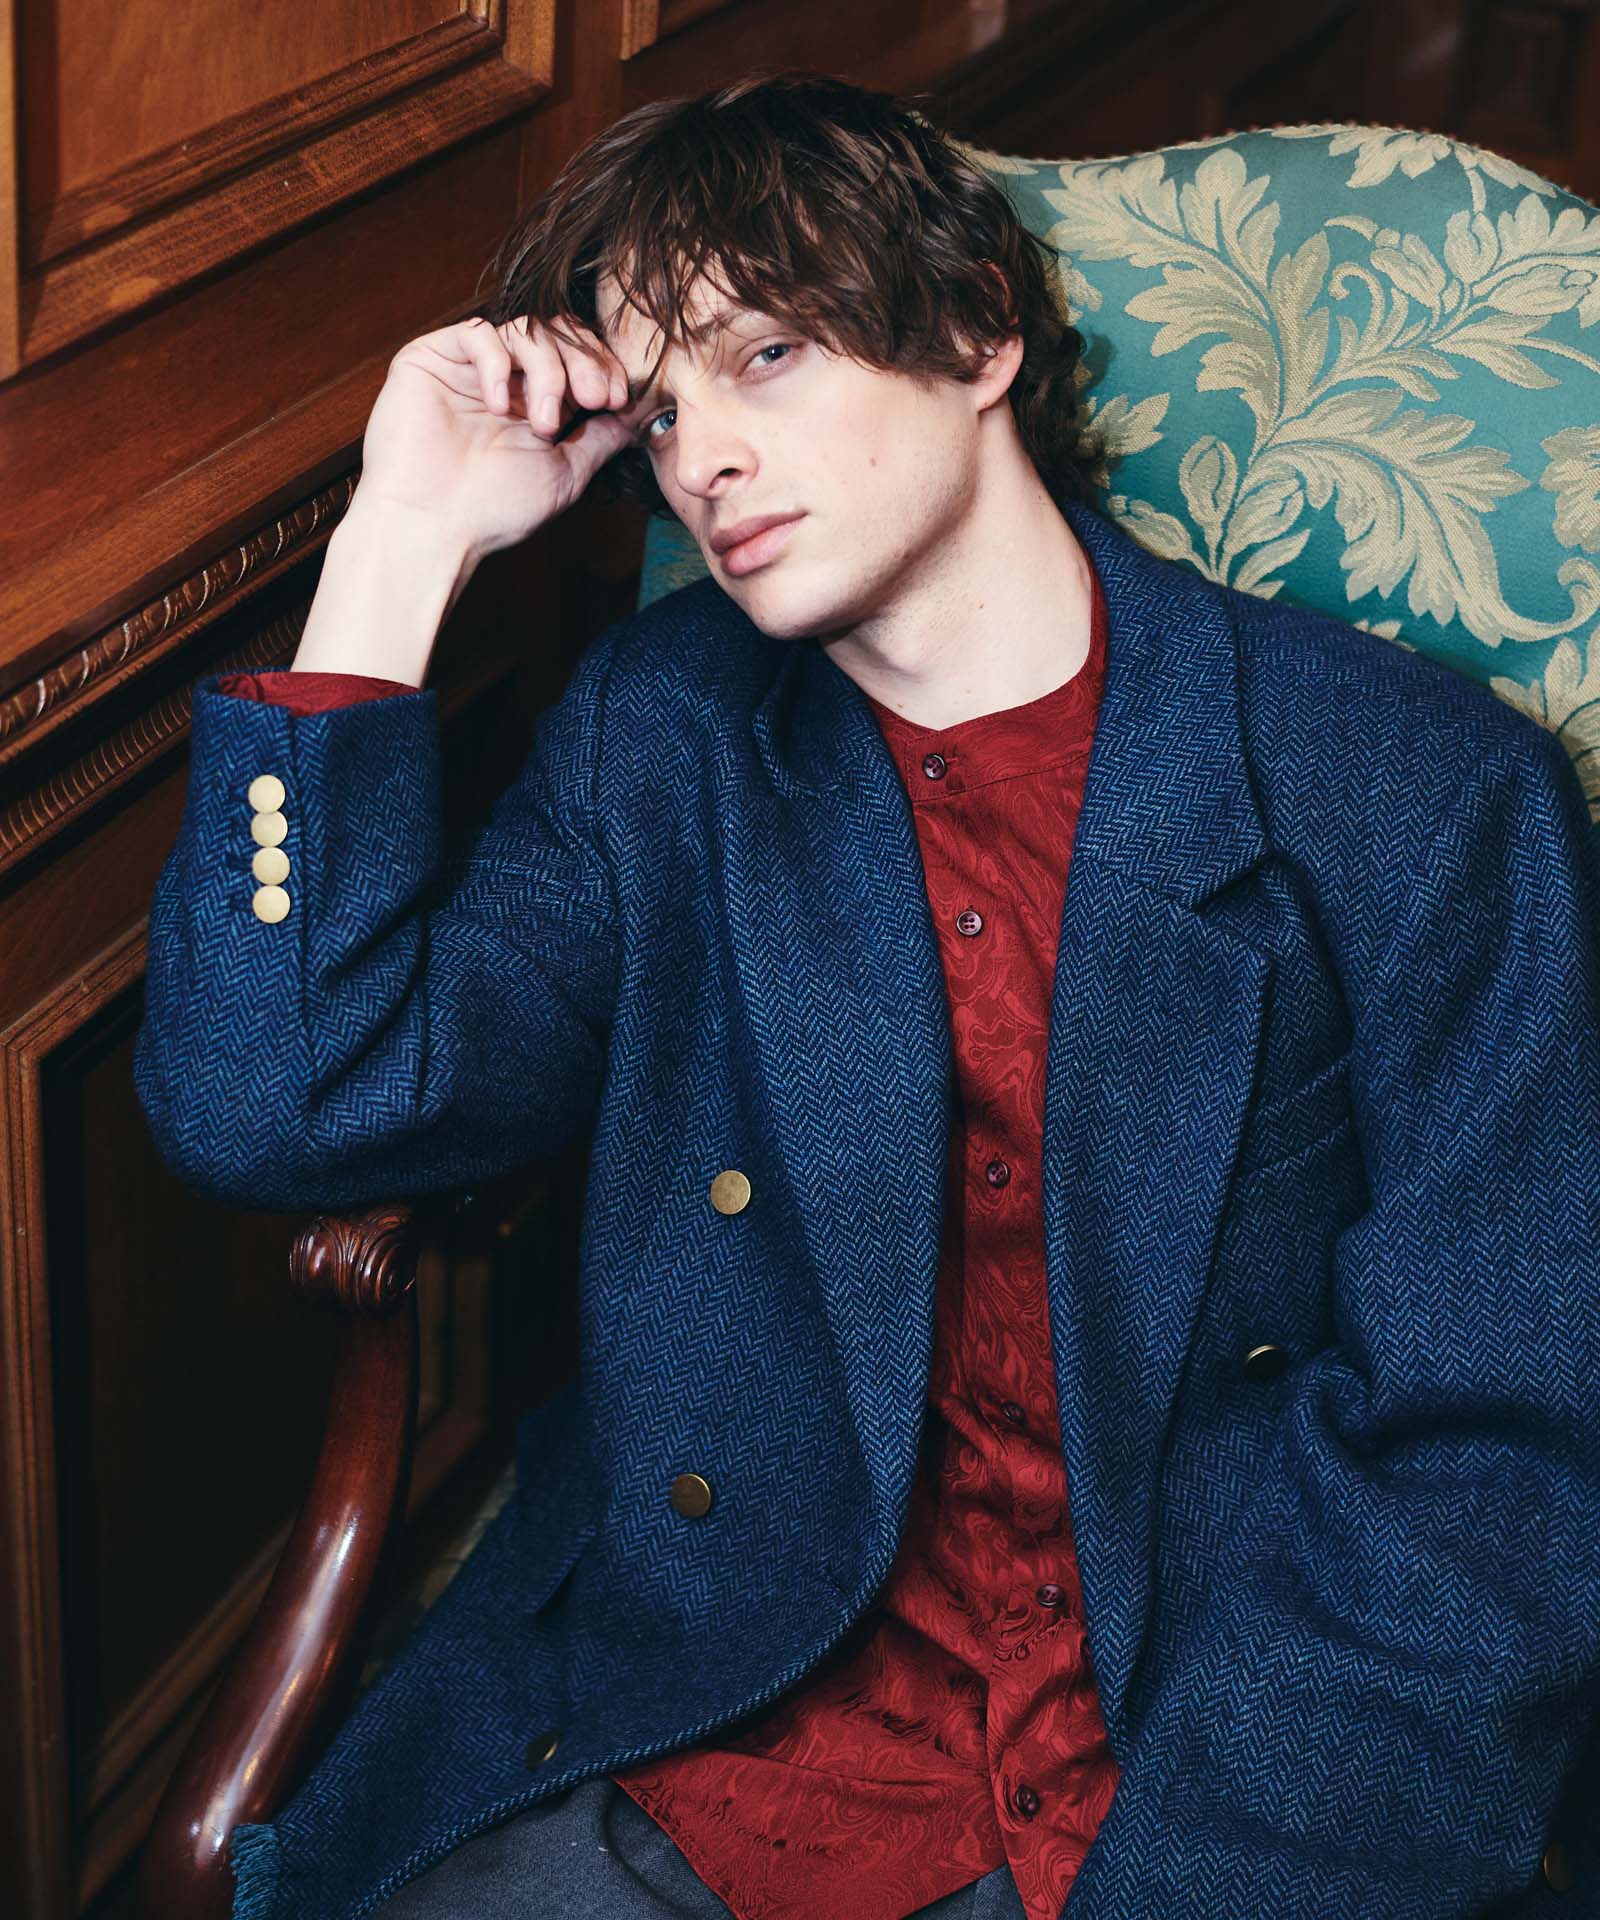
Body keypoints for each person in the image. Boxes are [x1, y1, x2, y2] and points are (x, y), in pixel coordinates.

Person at [133, 67, 1600, 1920]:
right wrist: (398, 542)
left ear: (977, 329)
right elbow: (275, 1107)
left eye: (764, 358)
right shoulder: (660, 740)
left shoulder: (1420, 789)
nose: (703, 461)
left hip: (1223, 1756)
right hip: (728, 1724)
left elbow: (1495, 1450)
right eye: (661, 411)